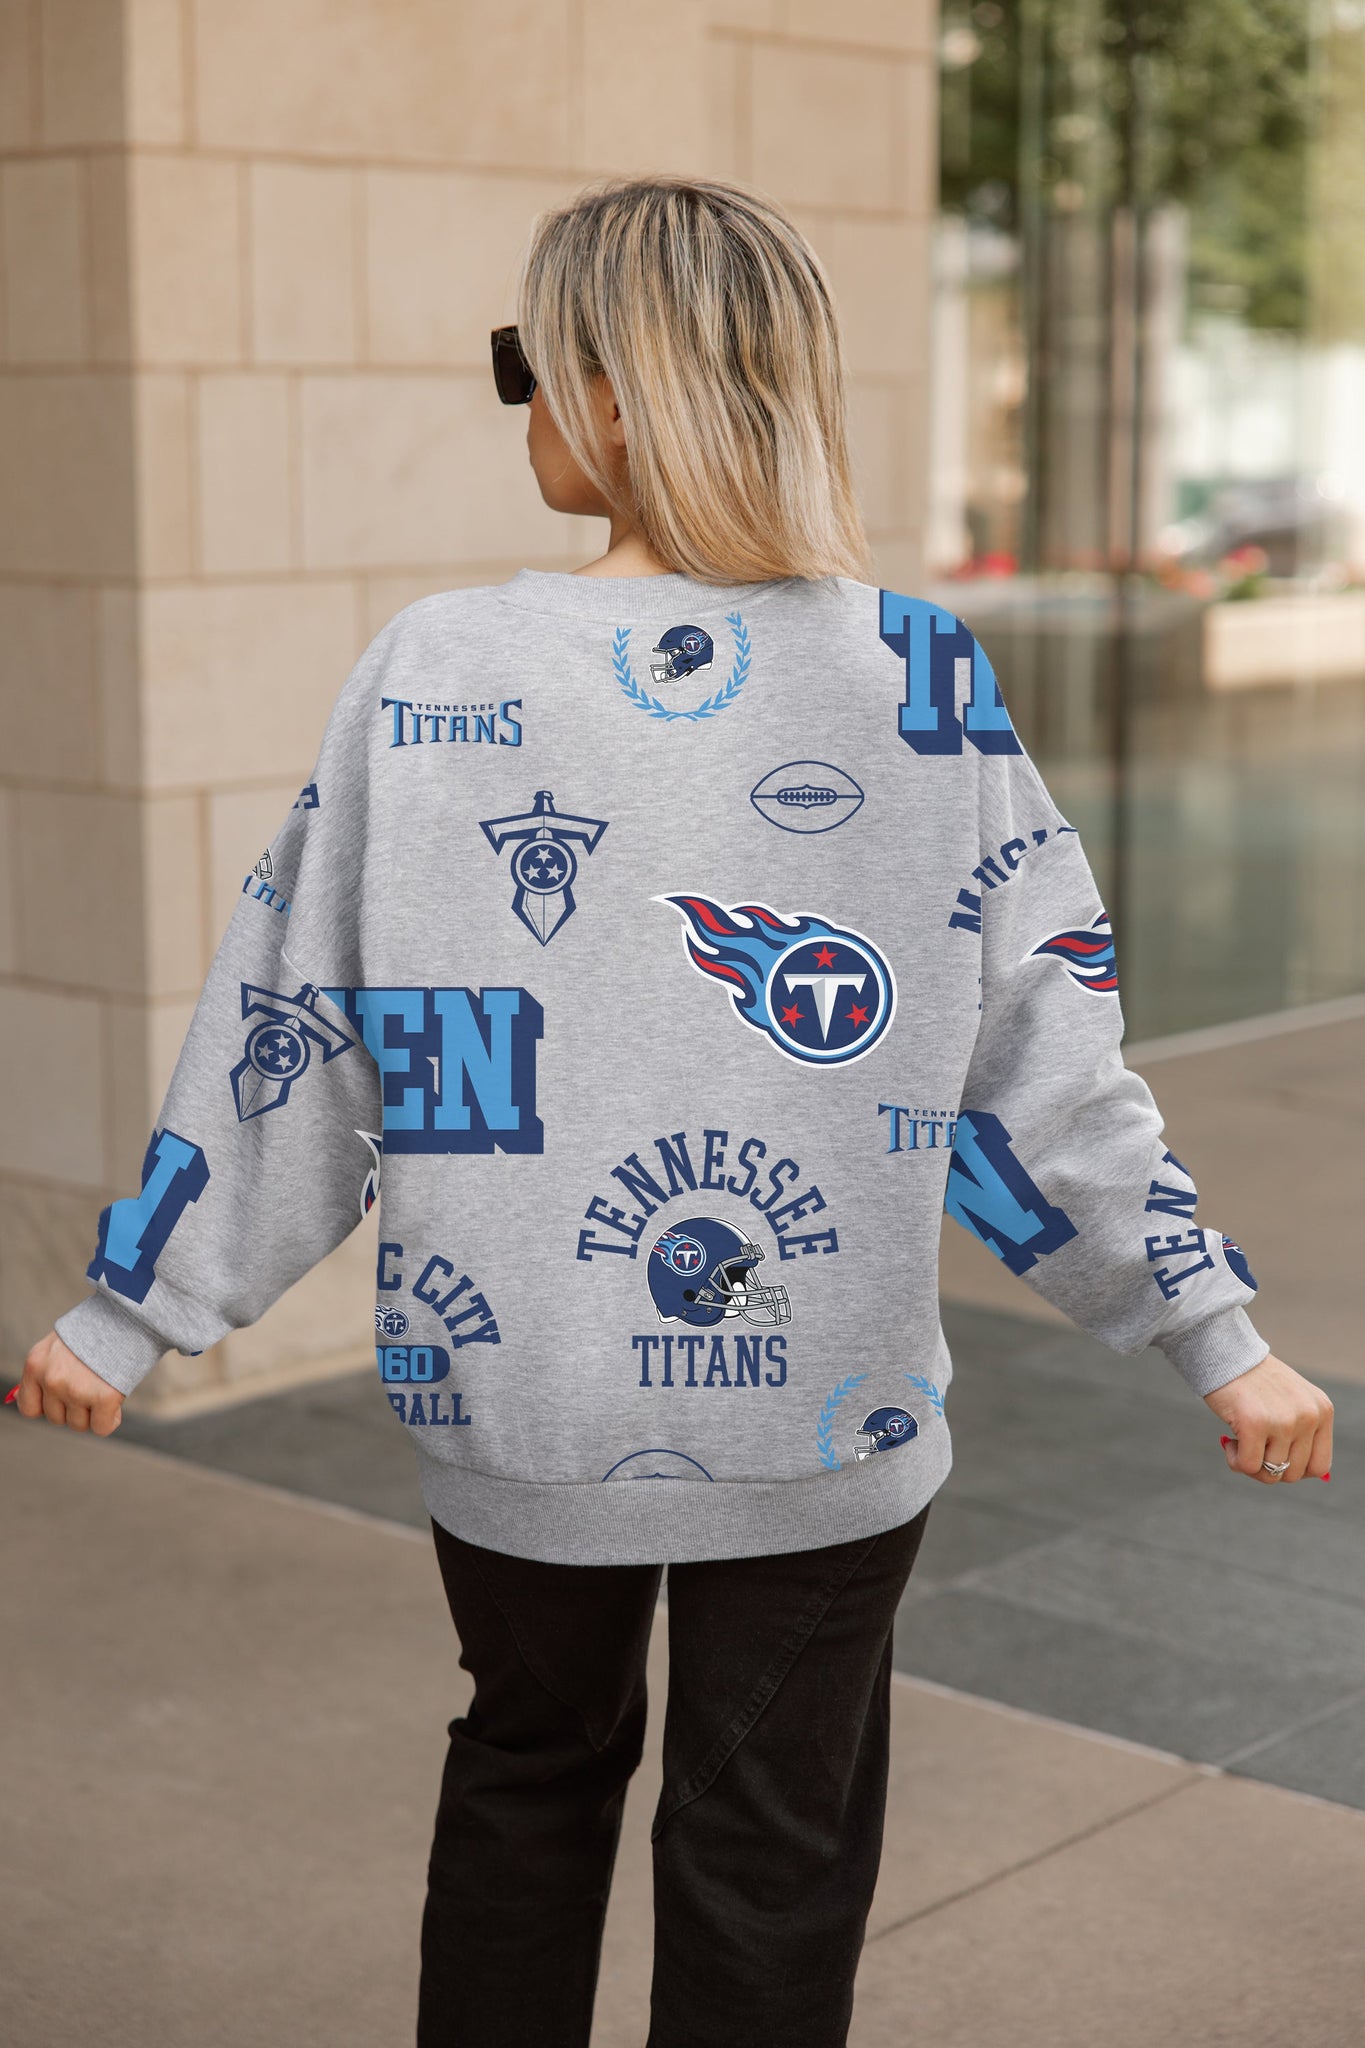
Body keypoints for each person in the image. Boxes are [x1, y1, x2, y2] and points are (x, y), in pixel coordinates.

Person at [15, 176, 1334, 2048]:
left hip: (518, 1391)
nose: (519, 405)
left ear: (615, 394)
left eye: (523, 365)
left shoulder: (435, 669)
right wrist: (1214, 1336)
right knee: (768, 1852)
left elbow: (298, 1035)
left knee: (525, 1782)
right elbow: (1040, 1070)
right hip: (830, 1408)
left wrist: (132, 1314)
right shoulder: (920, 678)